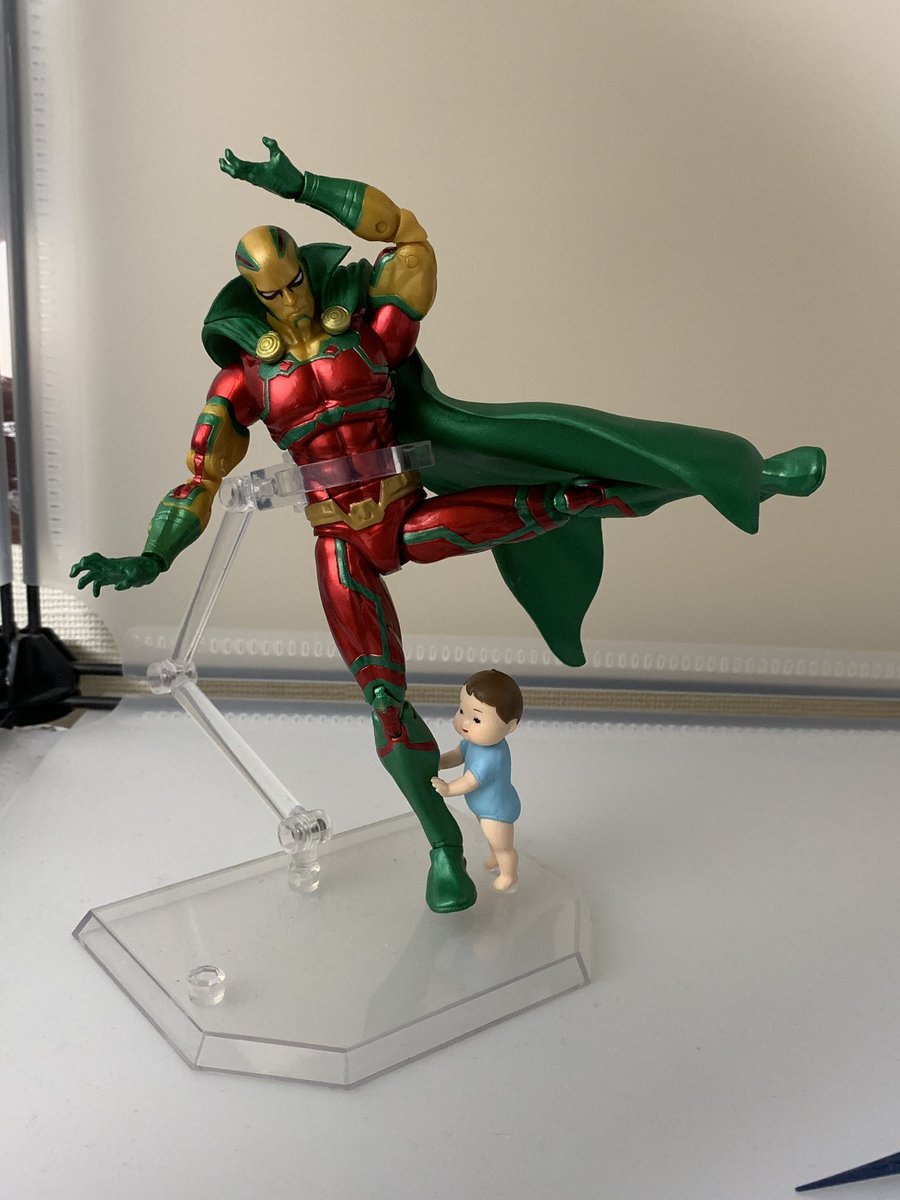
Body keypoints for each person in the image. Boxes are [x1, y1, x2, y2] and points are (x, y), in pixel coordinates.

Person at [71, 137, 826, 915]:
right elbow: (201, 477)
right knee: (385, 702)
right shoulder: (242, 380)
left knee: (568, 497)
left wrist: (301, 184)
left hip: (408, 512)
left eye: (296, 281)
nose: (291, 299)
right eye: (274, 291)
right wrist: (151, 557)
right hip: (340, 543)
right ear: (252, 296)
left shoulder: (369, 330)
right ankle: (443, 850)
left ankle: (752, 479)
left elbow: (409, 238)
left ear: (307, 270)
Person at [432, 671, 524, 894]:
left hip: (496, 810)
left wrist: (448, 788)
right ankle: (495, 856)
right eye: (462, 710)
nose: (465, 722)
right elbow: (457, 755)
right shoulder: (473, 742)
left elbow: (470, 781)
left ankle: (509, 874)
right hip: (482, 807)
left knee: (502, 844)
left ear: (510, 726)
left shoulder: (492, 756)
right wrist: (439, 761)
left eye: (477, 719)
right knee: (491, 837)